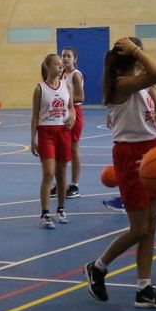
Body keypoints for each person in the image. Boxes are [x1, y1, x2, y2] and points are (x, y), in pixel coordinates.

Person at [83, 37, 156, 309]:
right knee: (139, 228)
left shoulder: (139, 87)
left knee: (151, 226)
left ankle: (143, 288)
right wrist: (136, 50)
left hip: (150, 151)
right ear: (133, 58)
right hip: (131, 156)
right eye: (139, 53)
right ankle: (98, 267)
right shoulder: (121, 84)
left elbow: (143, 115)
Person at [31, 53, 76, 229]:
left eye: (61, 64)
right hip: (46, 133)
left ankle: (61, 208)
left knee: (62, 173)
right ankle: (44, 213)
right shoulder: (40, 89)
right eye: (56, 64)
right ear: (47, 67)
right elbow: (35, 116)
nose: (60, 66)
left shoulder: (67, 86)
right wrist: (32, 138)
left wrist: (71, 117)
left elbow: (71, 107)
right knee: (49, 173)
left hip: (63, 132)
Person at [60, 46, 86, 198]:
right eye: (63, 56)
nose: (65, 58)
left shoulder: (76, 75)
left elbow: (81, 97)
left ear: (74, 59)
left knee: (74, 149)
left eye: (68, 56)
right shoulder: (61, 74)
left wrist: (63, 99)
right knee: (61, 149)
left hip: (74, 113)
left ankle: (75, 185)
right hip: (62, 114)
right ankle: (60, 182)